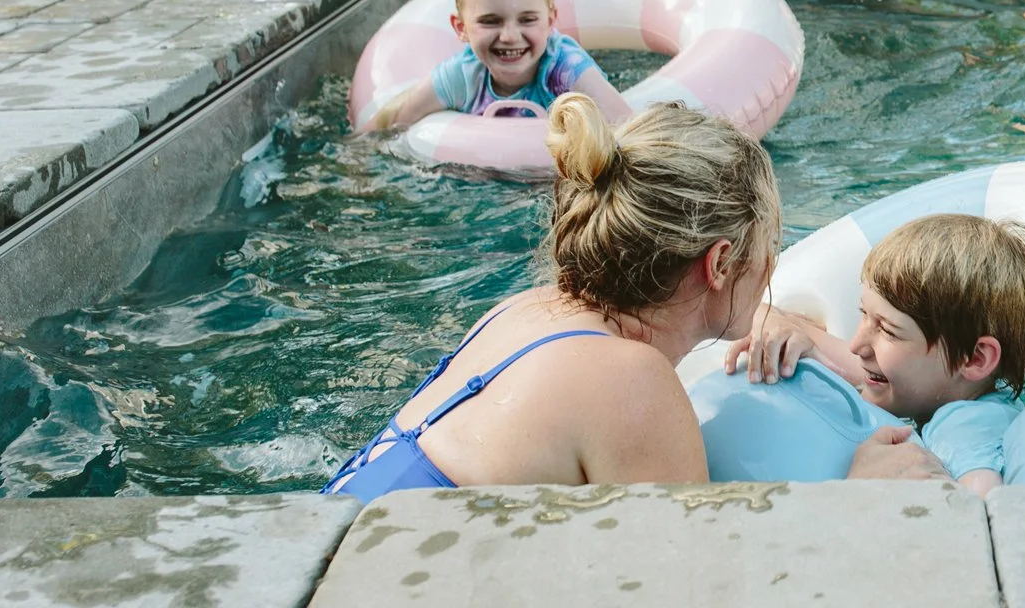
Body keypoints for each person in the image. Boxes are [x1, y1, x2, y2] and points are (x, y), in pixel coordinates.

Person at [324, 94, 781, 498]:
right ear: (720, 263)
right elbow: (683, 580)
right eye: (770, 244)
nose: (770, 265)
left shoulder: (525, 309)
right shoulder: (635, 385)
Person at [722, 213, 1025, 495]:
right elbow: (771, 314)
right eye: (864, 314)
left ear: (974, 359)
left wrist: (859, 493)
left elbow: (984, 514)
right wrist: (775, 325)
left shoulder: (962, 426)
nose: (856, 345)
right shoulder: (929, 383)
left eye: (888, 330)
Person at [369, 0, 630, 131]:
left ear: (550, 21)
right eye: (490, 21)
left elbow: (626, 126)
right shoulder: (463, 76)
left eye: (527, 20)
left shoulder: (565, 68)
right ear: (460, 28)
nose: (509, 36)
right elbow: (394, 119)